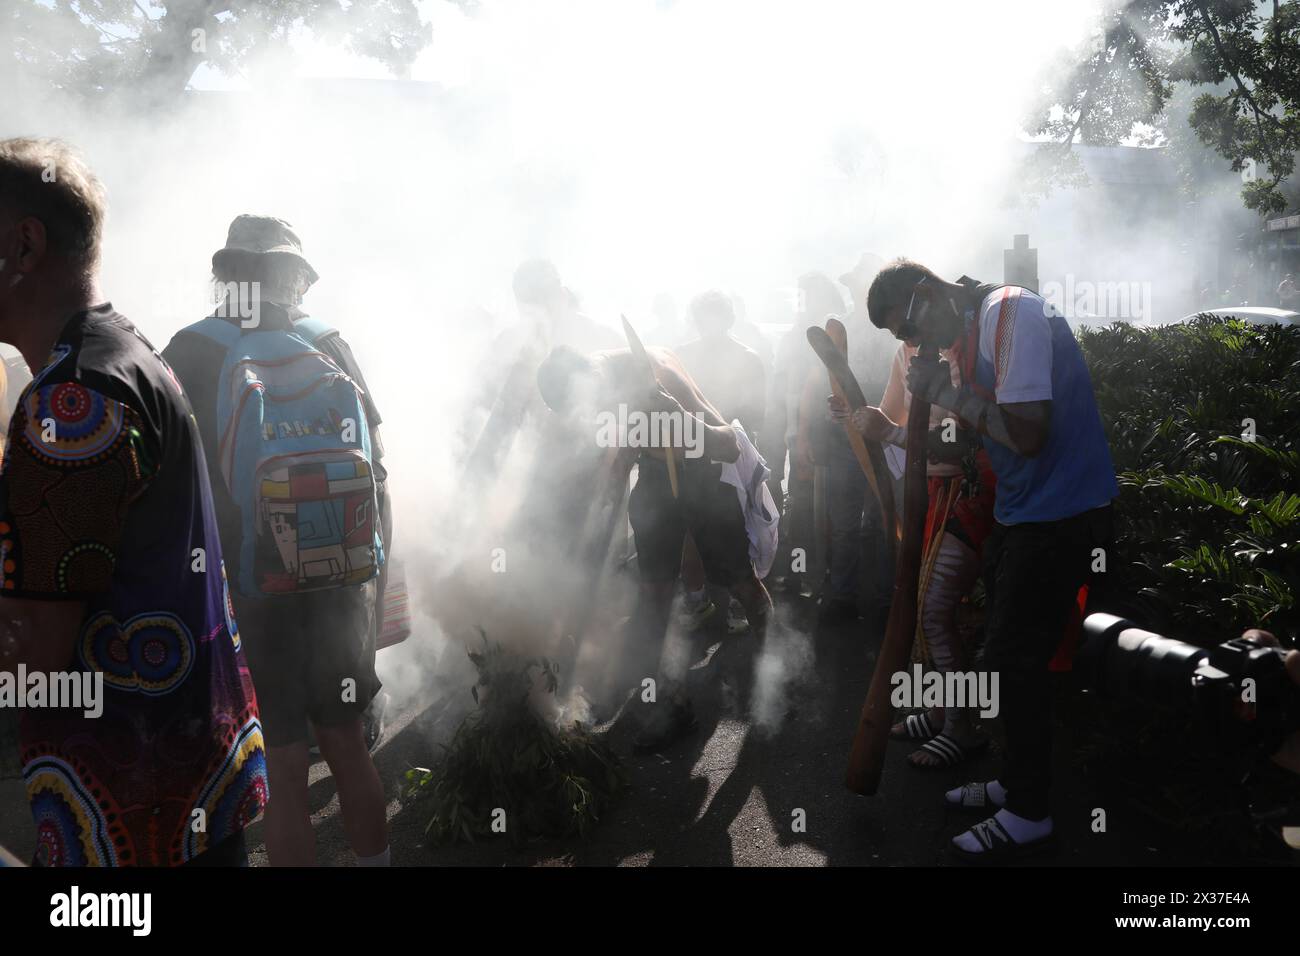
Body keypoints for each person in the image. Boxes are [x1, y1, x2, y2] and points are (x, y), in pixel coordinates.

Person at [0, 138, 267, 866]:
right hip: (193, 768)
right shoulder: (129, 348)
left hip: (128, 805)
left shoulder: (70, 403)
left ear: (23, 245)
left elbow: (34, 658)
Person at [865, 258, 1118, 861]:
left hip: (1062, 513)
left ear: (928, 295)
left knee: (1011, 663)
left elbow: (1027, 432)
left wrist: (947, 392)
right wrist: (904, 427)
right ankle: (1016, 782)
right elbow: (980, 434)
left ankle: (1030, 812)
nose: (912, 345)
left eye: (908, 330)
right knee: (1011, 658)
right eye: (904, 339)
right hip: (1022, 511)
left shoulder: (1010, 314)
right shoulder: (968, 334)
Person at [162, 215, 390, 867]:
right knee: (347, 742)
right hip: (340, 580)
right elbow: (377, 472)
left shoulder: (191, 351)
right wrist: (376, 580)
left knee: (284, 765)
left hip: (249, 589)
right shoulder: (329, 343)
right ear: (293, 275)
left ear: (226, 274)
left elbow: (169, 491)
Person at [536, 342, 773, 751]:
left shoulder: (658, 374)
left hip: (707, 475)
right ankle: (670, 708)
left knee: (739, 580)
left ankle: (772, 676)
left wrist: (674, 416)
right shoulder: (605, 388)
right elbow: (624, 448)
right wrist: (602, 507)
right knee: (654, 596)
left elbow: (727, 444)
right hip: (658, 479)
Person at [832, 337, 997, 767]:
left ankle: (962, 728)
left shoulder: (962, 352)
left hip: (972, 493)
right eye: (894, 330)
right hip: (931, 493)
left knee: (934, 611)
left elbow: (962, 438)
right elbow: (894, 415)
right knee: (928, 609)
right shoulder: (902, 352)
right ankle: (943, 711)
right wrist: (862, 418)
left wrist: (890, 433)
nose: (905, 338)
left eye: (904, 325)